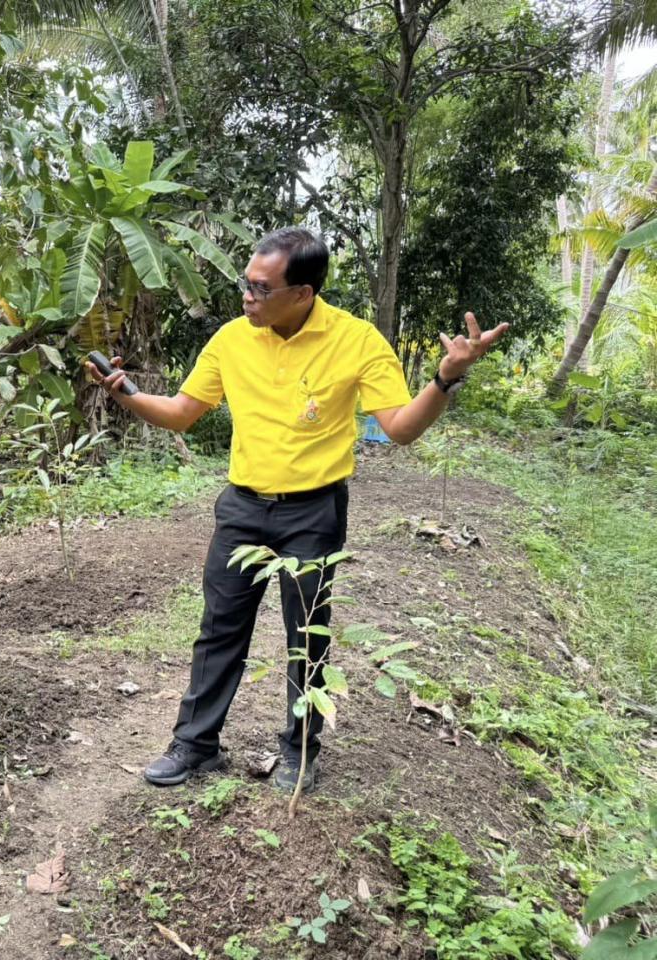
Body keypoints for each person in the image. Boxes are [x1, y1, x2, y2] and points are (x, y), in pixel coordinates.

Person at [87, 228, 508, 792]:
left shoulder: (356, 341)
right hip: (241, 506)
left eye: (261, 288)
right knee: (219, 630)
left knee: (306, 634)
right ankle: (195, 745)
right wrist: (125, 393)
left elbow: (401, 428)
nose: (247, 297)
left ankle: (301, 749)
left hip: (314, 512)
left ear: (303, 293)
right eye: (246, 284)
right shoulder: (233, 340)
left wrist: (446, 377)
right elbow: (184, 412)